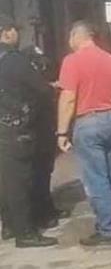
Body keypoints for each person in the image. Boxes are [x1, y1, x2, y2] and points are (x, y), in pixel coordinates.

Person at [56, 21, 111, 247]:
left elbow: (68, 98)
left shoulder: (72, 61)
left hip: (89, 121)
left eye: (69, 38)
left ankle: (109, 229)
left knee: (96, 179)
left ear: (77, 36)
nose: (68, 43)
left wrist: (61, 132)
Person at [0, 15, 58, 247]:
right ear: (5, 32)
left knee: (5, 180)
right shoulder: (15, 60)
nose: (17, 34)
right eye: (14, 30)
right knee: (21, 181)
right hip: (18, 127)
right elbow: (41, 90)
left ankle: (9, 226)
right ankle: (26, 233)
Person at [21, 45, 66, 228]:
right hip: (34, 130)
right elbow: (38, 93)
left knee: (45, 172)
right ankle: (41, 212)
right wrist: (50, 87)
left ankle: (47, 208)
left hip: (45, 128)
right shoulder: (25, 76)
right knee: (37, 174)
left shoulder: (38, 75)